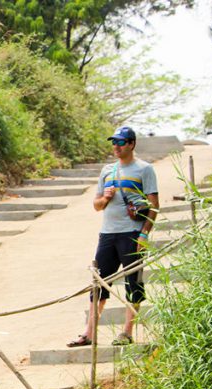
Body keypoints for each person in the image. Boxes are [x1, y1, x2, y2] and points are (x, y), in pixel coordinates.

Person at [68, 126, 158, 348]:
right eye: (113, 142)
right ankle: (89, 333)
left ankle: (126, 332)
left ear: (131, 144)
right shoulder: (107, 170)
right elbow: (96, 206)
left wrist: (144, 234)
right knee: (99, 283)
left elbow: (154, 206)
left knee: (133, 284)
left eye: (120, 142)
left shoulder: (145, 170)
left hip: (132, 234)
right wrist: (105, 198)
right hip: (108, 233)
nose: (116, 147)